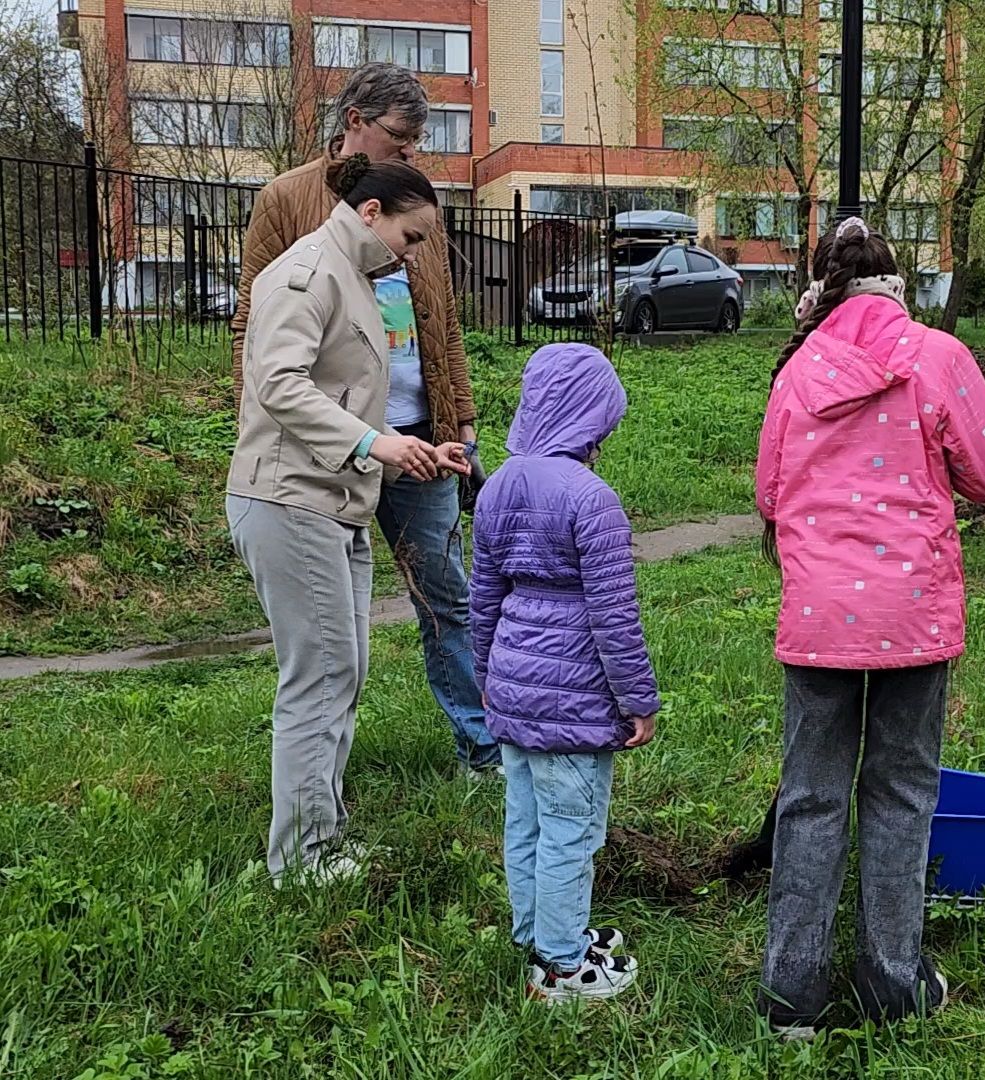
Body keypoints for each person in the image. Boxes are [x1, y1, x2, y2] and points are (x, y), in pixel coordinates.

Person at [754, 218, 985, 1036]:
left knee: (810, 796)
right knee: (903, 791)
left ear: (824, 282)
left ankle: (790, 992)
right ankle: (892, 981)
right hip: (910, 613)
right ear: (896, 280)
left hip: (820, 613)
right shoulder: (937, 357)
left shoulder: (797, 369)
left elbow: (768, 493)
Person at [232, 63, 500, 778]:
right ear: (355, 120)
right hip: (324, 448)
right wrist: (260, 429)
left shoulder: (417, 205)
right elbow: (252, 332)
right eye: (400, 137)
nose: (411, 152)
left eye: (418, 141)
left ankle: (482, 747)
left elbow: (443, 328)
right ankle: (318, 776)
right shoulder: (288, 199)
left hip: (418, 437)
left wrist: (461, 419)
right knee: (328, 631)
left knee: (448, 596)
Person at [227, 156, 471, 885]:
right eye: (412, 233)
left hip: (335, 502)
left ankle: (321, 838)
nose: (415, 250)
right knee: (321, 677)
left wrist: (410, 451)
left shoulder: (351, 273)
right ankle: (300, 861)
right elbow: (276, 383)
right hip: (290, 502)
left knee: (344, 672)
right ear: (370, 213)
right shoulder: (310, 273)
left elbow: (349, 398)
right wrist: (373, 444)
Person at [470, 342, 660, 1003]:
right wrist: (637, 699)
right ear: (590, 419)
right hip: (573, 697)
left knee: (524, 820)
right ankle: (561, 964)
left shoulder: (497, 484)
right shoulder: (592, 499)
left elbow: (482, 596)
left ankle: (536, 932)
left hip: (513, 685)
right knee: (570, 831)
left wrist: (486, 677)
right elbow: (614, 617)